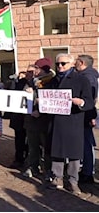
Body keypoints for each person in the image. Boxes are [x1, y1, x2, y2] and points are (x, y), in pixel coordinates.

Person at [48, 53, 94, 195]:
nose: (60, 66)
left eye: (63, 64)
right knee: (57, 150)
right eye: (58, 64)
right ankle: (57, 177)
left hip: (73, 120)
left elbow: (89, 102)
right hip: (56, 120)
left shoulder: (81, 80)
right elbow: (45, 95)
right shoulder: (52, 80)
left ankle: (73, 180)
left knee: (74, 152)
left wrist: (81, 102)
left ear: (72, 64)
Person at [22, 58, 56, 179]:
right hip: (31, 120)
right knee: (33, 146)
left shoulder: (52, 82)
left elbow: (54, 101)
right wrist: (27, 92)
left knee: (47, 147)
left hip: (45, 121)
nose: (34, 70)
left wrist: (40, 111)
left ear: (43, 69)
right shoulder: (31, 82)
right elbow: (23, 99)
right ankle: (33, 167)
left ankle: (48, 171)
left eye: (37, 68)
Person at [75, 54, 98, 184]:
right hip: (86, 113)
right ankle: (86, 170)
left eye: (76, 61)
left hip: (85, 113)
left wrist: (90, 115)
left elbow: (89, 98)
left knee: (86, 143)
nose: (74, 64)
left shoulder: (87, 77)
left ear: (82, 62)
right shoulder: (89, 75)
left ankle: (88, 172)